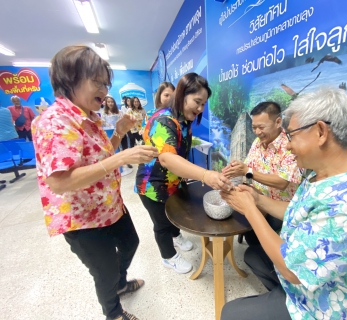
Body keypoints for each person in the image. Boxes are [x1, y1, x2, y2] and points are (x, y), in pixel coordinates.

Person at [220, 87, 347, 320]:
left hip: (322, 307)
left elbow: (293, 270)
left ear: (321, 131)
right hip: (303, 279)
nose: (288, 145)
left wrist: (250, 209)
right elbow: (295, 211)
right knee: (253, 256)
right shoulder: (319, 177)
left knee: (230, 314)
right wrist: (257, 199)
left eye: (292, 135)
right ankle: (279, 296)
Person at [32, 45, 159, 320]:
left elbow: (100, 156)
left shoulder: (89, 116)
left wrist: (119, 133)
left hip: (109, 205)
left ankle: (120, 284)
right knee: (104, 272)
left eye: (106, 83)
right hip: (82, 219)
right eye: (97, 82)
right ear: (70, 79)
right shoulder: (55, 121)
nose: (104, 90)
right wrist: (121, 157)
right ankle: (113, 312)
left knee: (130, 243)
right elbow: (59, 182)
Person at [135, 72, 234, 274]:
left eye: (203, 104)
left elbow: (179, 151)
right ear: (182, 94)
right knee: (161, 223)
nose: (200, 108)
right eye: (197, 101)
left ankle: (176, 235)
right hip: (153, 185)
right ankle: (168, 256)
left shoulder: (184, 120)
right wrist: (206, 175)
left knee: (173, 214)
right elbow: (167, 158)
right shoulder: (164, 120)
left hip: (172, 182)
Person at [222, 101, 301, 245]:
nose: (257, 132)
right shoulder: (258, 142)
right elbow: (248, 167)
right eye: (254, 127)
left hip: (278, 208)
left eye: (261, 127)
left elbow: (282, 182)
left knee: (254, 238)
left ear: (278, 122)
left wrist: (247, 171)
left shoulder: (290, 145)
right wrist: (235, 170)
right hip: (256, 198)